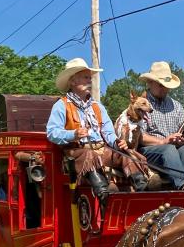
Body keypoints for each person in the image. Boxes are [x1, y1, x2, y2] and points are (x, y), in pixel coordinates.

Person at [46, 57, 147, 200]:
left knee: (126, 154)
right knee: (89, 155)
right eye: (85, 77)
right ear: (73, 81)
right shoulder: (61, 105)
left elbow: (108, 132)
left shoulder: (97, 106)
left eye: (90, 78)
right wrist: (73, 134)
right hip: (76, 153)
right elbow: (52, 133)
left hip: (101, 149)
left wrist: (117, 143)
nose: (90, 80)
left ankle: (142, 189)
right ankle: (103, 195)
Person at [137, 61, 184, 189]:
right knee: (168, 149)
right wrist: (163, 141)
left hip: (173, 151)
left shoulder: (177, 106)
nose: (164, 89)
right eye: (161, 85)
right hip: (147, 152)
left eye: (166, 86)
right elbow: (140, 137)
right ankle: (182, 185)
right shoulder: (141, 104)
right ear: (150, 83)